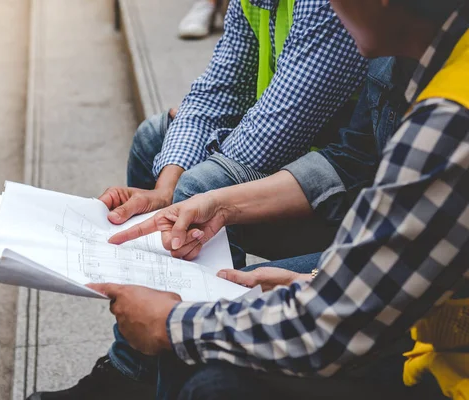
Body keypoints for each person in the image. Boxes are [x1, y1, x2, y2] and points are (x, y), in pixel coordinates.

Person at [84, 0, 469, 398]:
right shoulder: (416, 56)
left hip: (442, 357)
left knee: (212, 369)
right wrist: (306, 276)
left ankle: (134, 375)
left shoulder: (447, 123)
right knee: (169, 152)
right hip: (412, 293)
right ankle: (135, 371)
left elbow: (329, 325)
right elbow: (353, 158)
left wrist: (169, 324)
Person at [101, 0, 367, 269]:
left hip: (344, 192)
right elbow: (215, 94)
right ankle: (149, 290)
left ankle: (206, 302)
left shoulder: (327, 6)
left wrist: (182, 197)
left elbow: (269, 139)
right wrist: (165, 189)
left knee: (201, 185)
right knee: (155, 138)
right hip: (298, 158)